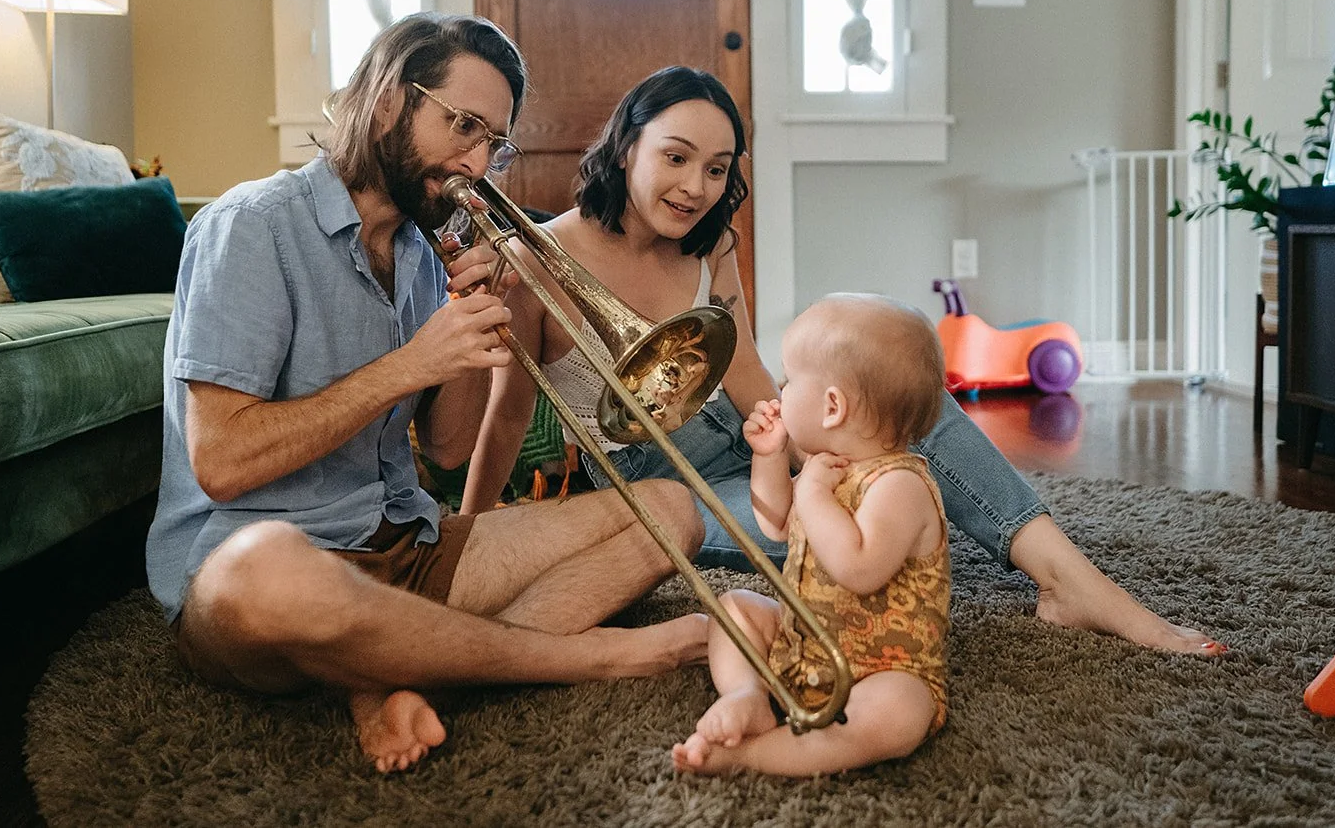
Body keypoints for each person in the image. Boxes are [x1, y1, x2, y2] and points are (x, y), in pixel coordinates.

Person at [466, 66, 1226, 658]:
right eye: (676, 157)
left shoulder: (711, 242)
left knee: (909, 400)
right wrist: (468, 538)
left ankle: (1072, 581)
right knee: (832, 516)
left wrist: (825, 435)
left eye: (717, 168)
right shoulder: (536, 263)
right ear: (626, 145)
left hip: (750, 428)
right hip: (664, 478)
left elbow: (748, 373)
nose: (697, 187)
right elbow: (504, 413)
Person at [144, 14, 709, 776]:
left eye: (493, 144)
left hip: (404, 544)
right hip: (268, 562)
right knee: (270, 569)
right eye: (464, 127)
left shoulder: (419, 250)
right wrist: (411, 363)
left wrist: (481, 328)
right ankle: (586, 658)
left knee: (671, 513)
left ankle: (392, 673)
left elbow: (444, 448)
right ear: (387, 102)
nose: (477, 162)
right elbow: (219, 460)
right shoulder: (250, 227)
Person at [673, 293, 953, 776]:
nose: (780, 389)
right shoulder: (829, 470)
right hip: (801, 644)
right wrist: (768, 458)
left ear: (831, 406)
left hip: (880, 673)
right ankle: (749, 694)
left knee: (900, 712)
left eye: (789, 380)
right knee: (734, 607)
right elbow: (774, 523)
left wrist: (814, 497)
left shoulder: (900, 486)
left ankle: (750, 756)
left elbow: (859, 568)